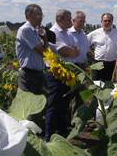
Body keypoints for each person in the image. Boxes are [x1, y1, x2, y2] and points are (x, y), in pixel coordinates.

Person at [45, 9, 79, 141]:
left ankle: (61, 131)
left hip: (66, 73)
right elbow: (66, 52)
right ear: (60, 19)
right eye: (68, 18)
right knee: (53, 104)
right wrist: (72, 51)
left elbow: (76, 51)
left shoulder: (67, 33)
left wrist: (72, 51)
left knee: (64, 103)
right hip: (55, 73)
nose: (71, 21)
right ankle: (49, 135)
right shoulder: (53, 32)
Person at [15, 4, 49, 95]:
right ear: (28, 15)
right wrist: (45, 40)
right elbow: (43, 52)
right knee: (29, 106)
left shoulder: (35, 31)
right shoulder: (26, 30)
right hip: (29, 75)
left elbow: (45, 52)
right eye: (38, 14)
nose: (41, 17)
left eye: (41, 15)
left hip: (37, 74)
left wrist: (44, 38)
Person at [87, 13, 117, 82]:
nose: (107, 22)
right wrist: (92, 54)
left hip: (112, 64)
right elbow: (85, 44)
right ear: (101, 22)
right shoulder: (94, 33)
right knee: (96, 84)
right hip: (98, 63)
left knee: (109, 85)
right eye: (105, 21)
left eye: (109, 21)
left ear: (112, 22)